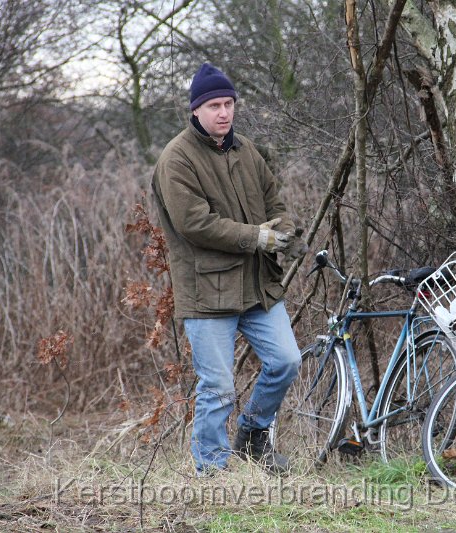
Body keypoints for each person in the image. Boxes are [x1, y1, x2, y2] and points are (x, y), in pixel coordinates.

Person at [151, 62, 307, 476]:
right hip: (206, 293)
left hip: (257, 287)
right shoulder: (177, 158)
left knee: (287, 362)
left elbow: (275, 204)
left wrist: (286, 234)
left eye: (229, 103)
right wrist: (257, 237)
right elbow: (194, 224)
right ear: (196, 110)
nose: (224, 112)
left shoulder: (246, 151)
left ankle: (253, 435)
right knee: (218, 388)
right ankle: (212, 472)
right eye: (215, 105)